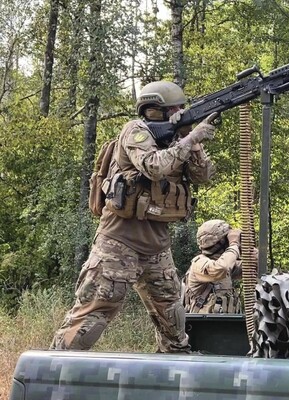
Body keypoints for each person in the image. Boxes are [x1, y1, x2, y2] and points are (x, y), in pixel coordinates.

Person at [50, 81, 219, 353]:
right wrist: (189, 139)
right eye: (173, 108)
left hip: (157, 248)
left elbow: (204, 177)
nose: (179, 111)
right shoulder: (135, 131)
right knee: (91, 317)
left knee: (173, 323)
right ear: (154, 111)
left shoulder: (179, 139)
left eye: (181, 108)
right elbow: (154, 167)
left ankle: (174, 380)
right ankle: (52, 372)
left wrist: (194, 142)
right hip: (118, 243)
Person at [183, 219, 253, 314]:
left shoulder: (225, 263)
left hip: (225, 325)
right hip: (203, 325)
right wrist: (234, 245)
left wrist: (248, 246)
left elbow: (253, 267)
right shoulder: (199, 263)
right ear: (222, 242)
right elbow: (221, 268)